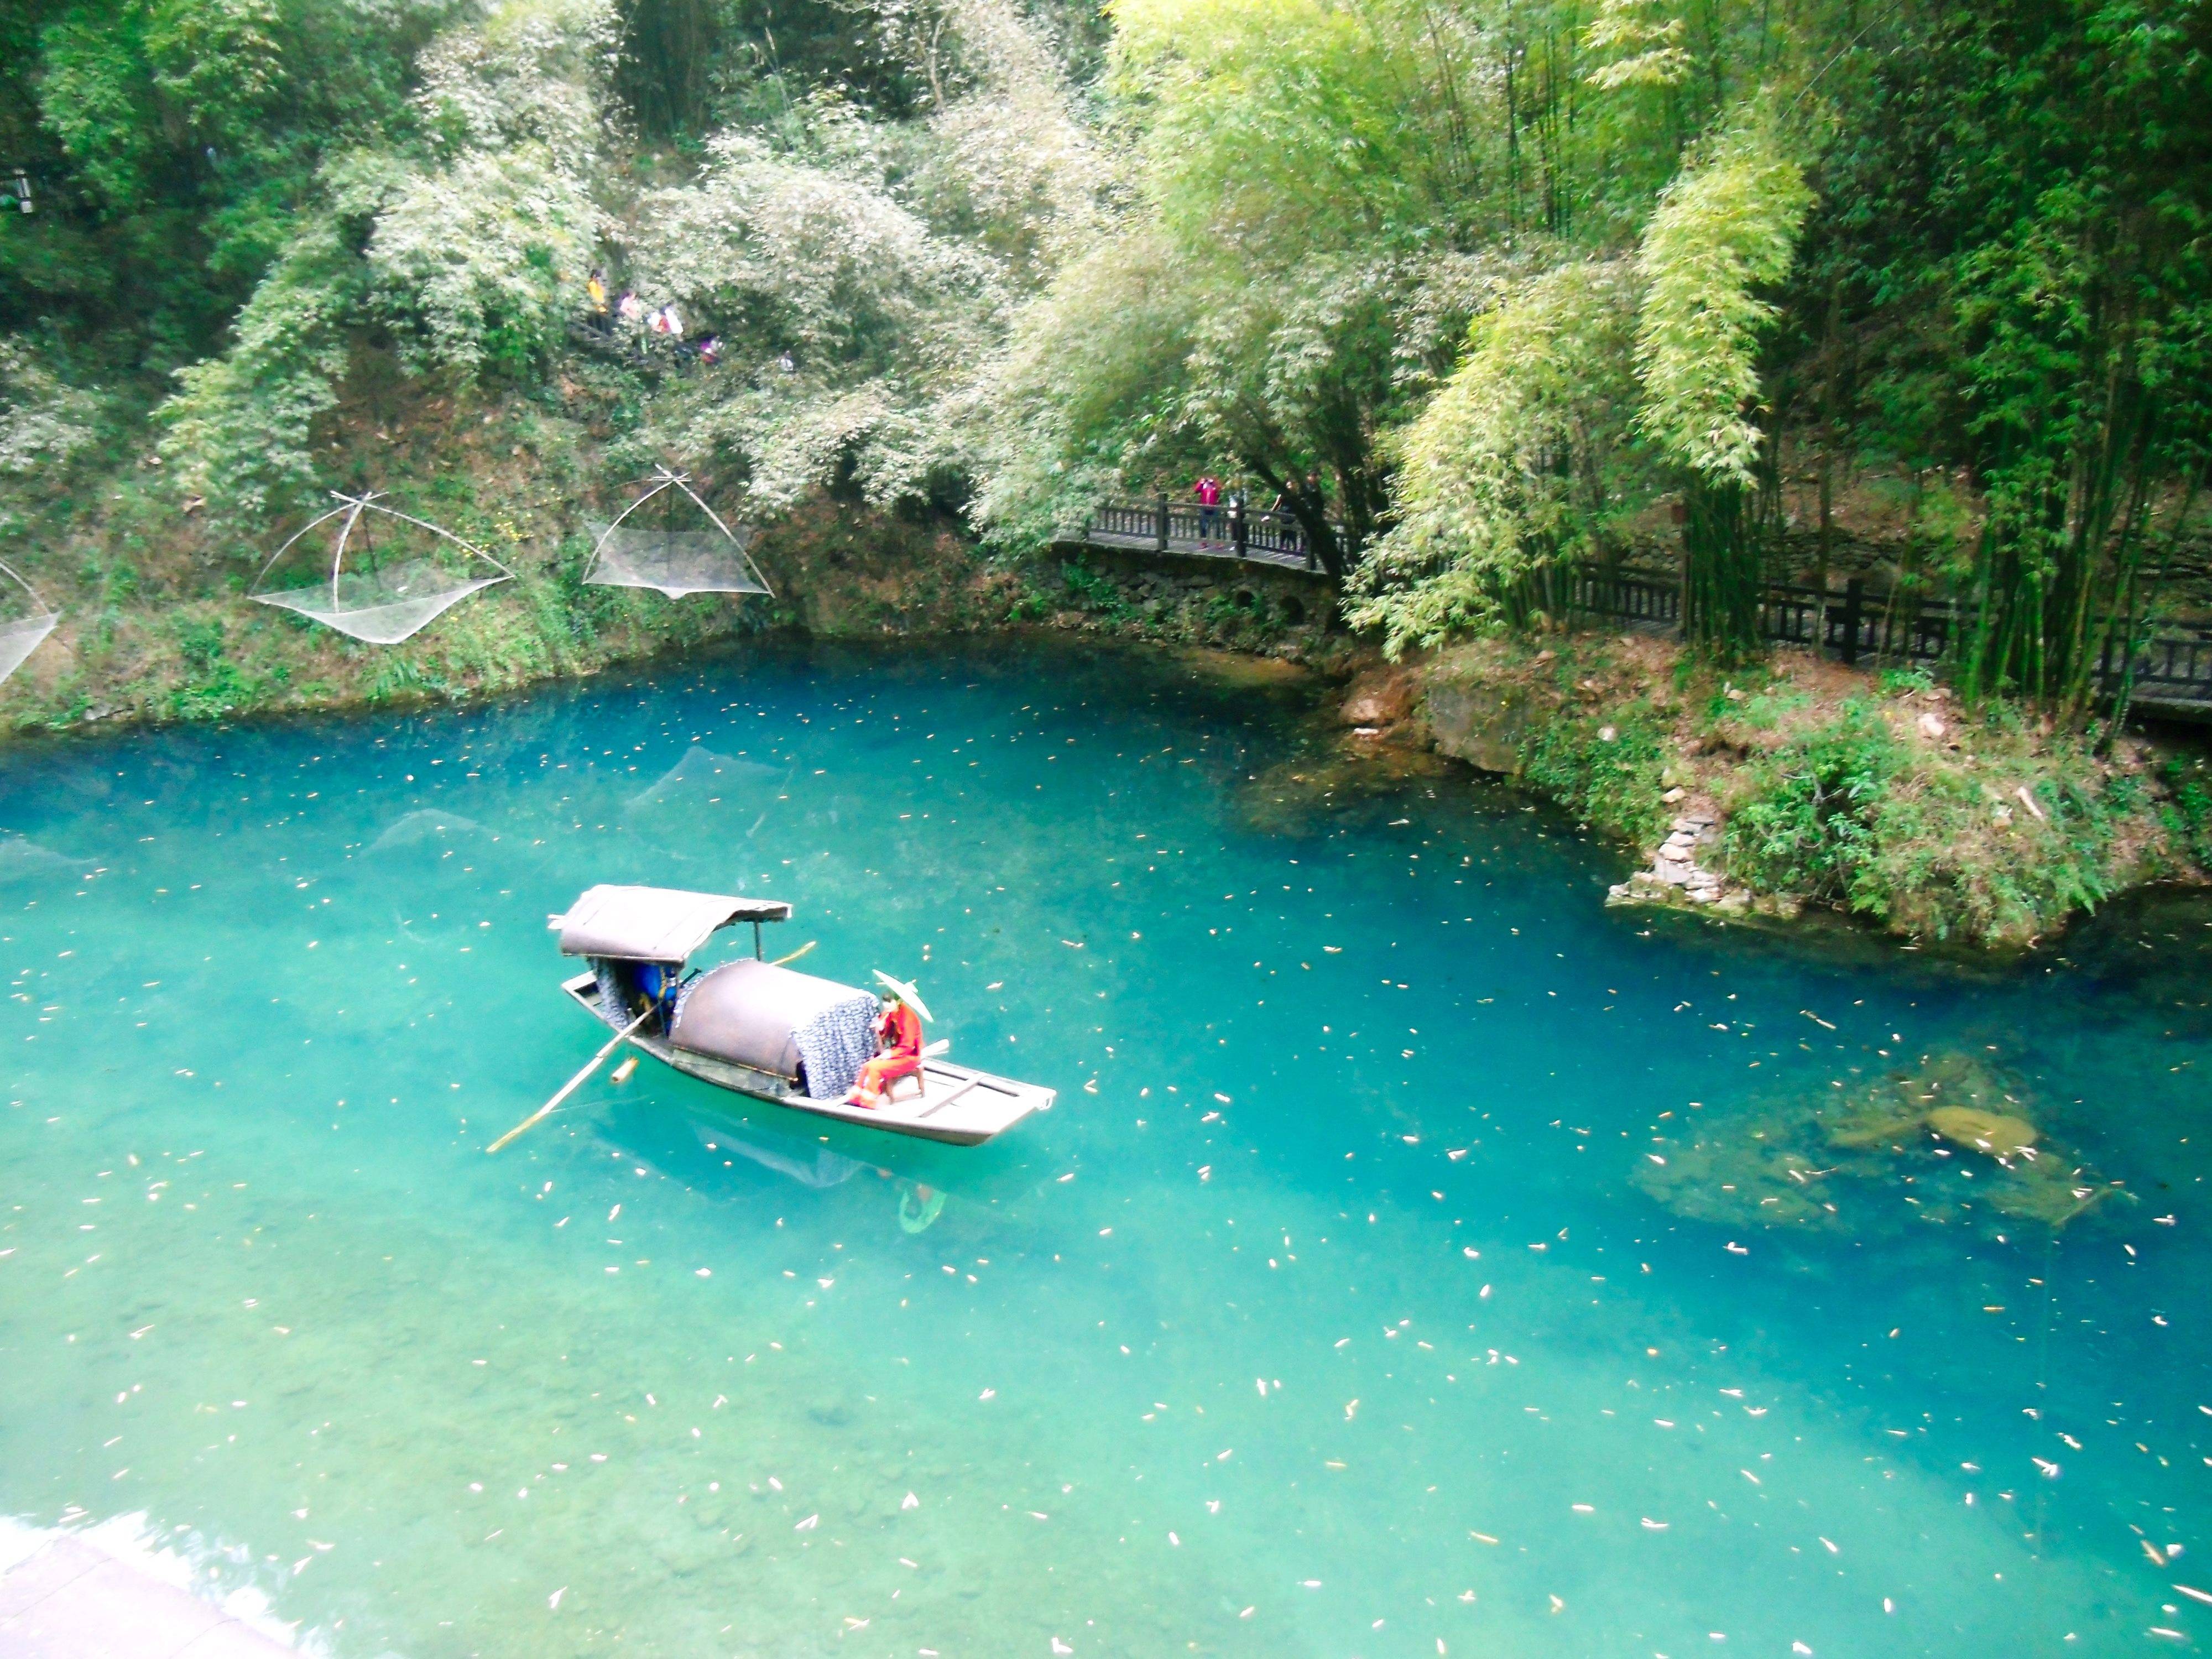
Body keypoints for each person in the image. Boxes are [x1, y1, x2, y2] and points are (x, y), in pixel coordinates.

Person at [847, 983, 924, 1108]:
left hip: (909, 1057)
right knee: (868, 1066)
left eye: (889, 1002)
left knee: (875, 1069)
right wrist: (881, 1027)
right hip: (897, 1053)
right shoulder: (891, 1013)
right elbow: (886, 1031)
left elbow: (908, 1046)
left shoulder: (908, 1019)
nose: (886, 1006)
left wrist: (891, 1054)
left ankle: (868, 1102)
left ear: (898, 1002)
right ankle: (856, 1097)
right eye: (885, 1002)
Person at [1194, 473, 1222, 548]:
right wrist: (1201, 482)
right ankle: (1204, 542)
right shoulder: (1203, 485)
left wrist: (1213, 482)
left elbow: (1220, 489)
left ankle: (1218, 542)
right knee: (1203, 525)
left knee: (1216, 525)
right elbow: (1196, 490)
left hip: (1214, 507)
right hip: (1204, 507)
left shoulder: (1214, 484)